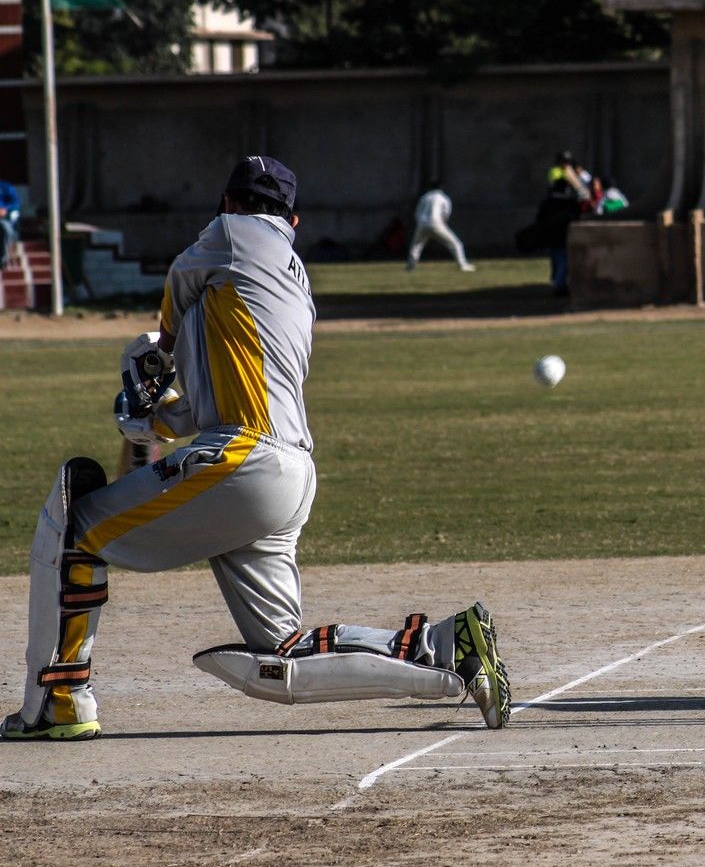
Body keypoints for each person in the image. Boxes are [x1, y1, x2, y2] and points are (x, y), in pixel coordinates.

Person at [2, 155, 510, 742]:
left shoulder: (234, 232)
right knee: (279, 656)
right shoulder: (280, 285)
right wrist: (152, 416)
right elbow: (210, 403)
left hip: (245, 460)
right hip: (283, 470)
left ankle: (57, 702)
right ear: (294, 220)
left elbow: (177, 281)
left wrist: (158, 354)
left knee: (74, 529)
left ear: (229, 205)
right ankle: (447, 648)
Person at [535, 150, 590, 297]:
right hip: (559, 231)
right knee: (561, 257)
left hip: (554, 231)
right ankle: (559, 284)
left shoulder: (551, 201)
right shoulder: (557, 174)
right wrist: (573, 177)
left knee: (558, 256)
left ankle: (558, 282)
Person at [405, 180, 475, 271]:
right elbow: (446, 212)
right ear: (441, 188)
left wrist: (420, 222)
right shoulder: (443, 197)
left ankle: (410, 267)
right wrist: (442, 223)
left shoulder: (425, 197)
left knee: (416, 246)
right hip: (437, 223)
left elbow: (417, 212)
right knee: (455, 244)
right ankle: (463, 265)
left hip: (422, 224)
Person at [0, 178, 20, 267]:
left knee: (6, 230)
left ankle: (3, 258)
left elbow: (15, 203)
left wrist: (5, 209)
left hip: (3, 218)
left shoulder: (5, 187)